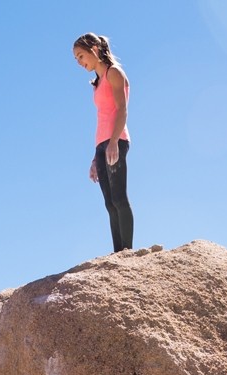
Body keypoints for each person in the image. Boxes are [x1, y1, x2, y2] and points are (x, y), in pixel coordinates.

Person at [73, 33, 133, 253]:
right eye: (77, 59)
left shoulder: (114, 73)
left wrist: (114, 141)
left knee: (119, 197)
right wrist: (94, 157)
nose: (80, 63)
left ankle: (128, 250)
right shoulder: (97, 83)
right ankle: (119, 252)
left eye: (81, 56)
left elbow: (122, 109)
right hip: (101, 144)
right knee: (109, 203)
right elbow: (103, 118)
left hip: (116, 141)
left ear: (95, 49)